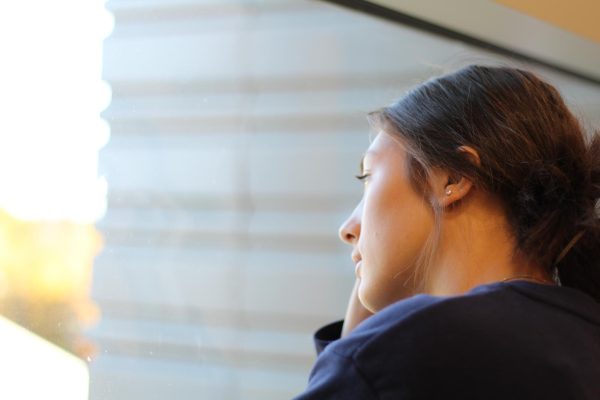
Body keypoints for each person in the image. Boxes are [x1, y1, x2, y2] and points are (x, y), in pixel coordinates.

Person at [293, 65, 600, 399]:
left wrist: (358, 352)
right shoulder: (583, 337)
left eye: (367, 178)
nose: (347, 229)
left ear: (452, 178)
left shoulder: (405, 351)